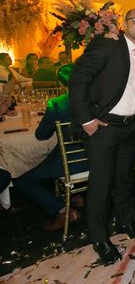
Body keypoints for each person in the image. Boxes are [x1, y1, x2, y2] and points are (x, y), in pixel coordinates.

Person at [69, 8, 135, 265]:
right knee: (101, 185)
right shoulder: (107, 45)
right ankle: (99, 238)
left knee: (124, 180)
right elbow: (78, 80)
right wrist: (87, 119)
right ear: (124, 24)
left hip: (130, 127)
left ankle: (126, 221)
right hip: (103, 127)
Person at [12, 65, 88, 230]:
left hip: (71, 163)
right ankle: (76, 195)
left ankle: (63, 212)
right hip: (97, 158)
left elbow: (42, 135)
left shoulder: (57, 104)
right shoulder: (99, 99)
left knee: (22, 181)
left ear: (61, 85)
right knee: (54, 153)